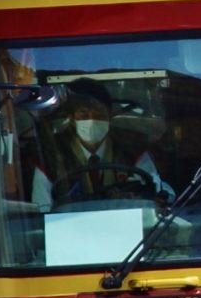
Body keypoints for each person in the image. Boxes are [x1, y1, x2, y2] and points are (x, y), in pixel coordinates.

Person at [31, 78, 174, 211]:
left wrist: (157, 197)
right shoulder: (50, 154)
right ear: (72, 118)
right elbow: (42, 209)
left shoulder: (132, 149)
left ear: (110, 116)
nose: (92, 120)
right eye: (83, 114)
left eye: (99, 114)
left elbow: (160, 190)